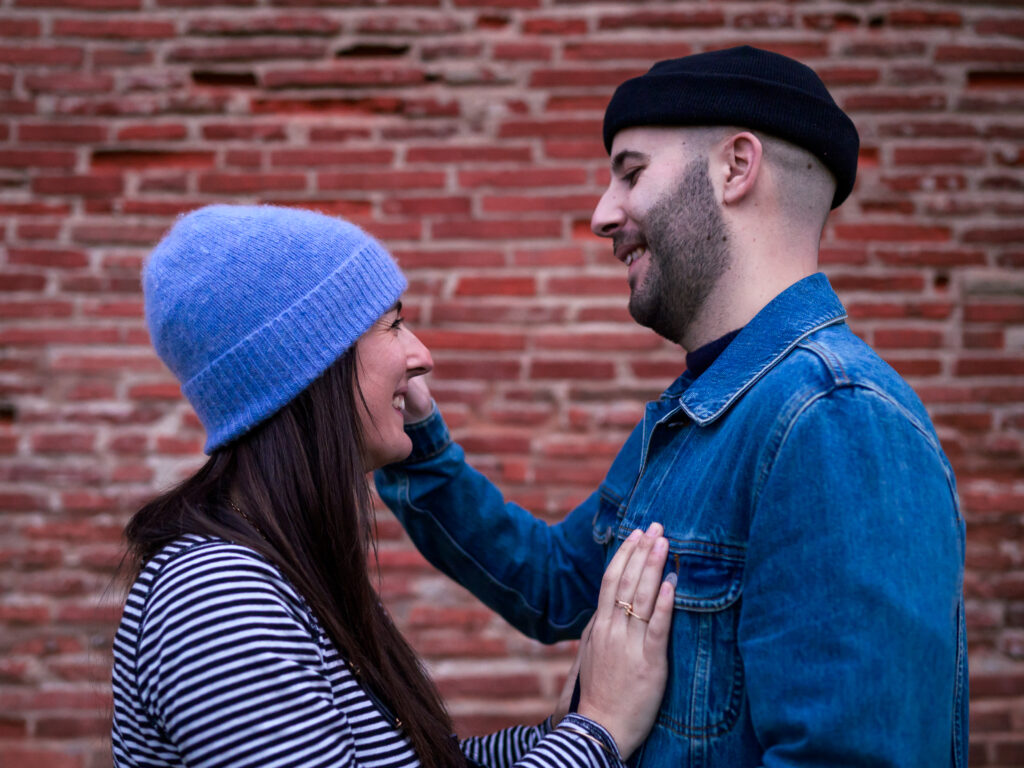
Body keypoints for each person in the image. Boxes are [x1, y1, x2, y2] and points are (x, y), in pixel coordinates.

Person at [375, 46, 968, 768]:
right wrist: (419, 449)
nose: (602, 213)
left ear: (735, 168)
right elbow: (558, 585)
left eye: (631, 172)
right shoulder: (701, 415)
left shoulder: (836, 420)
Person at [110, 204, 679, 768]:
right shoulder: (222, 602)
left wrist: (558, 735)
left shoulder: (274, 571)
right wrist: (596, 731)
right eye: (393, 324)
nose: (420, 356)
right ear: (313, 367)